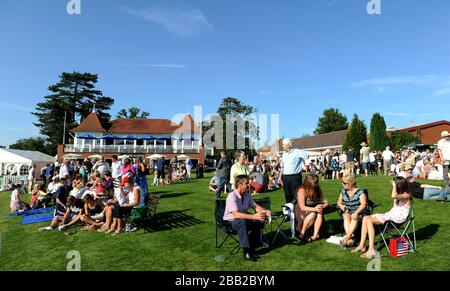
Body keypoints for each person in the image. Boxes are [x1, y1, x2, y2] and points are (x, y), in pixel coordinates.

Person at [352, 177, 412, 258]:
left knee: (369, 220)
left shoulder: (406, 195)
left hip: (398, 219)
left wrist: (394, 185)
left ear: (399, 186)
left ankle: (371, 250)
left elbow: (393, 196)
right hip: (392, 215)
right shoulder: (400, 195)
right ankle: (361, 245)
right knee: (366, 218)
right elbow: (395, 199)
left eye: (395, 185)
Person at [223, 175, 272, 262]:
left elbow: (255, 206)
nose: (249, 185)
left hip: (243, 218)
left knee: (259, 220)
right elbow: (236, 214)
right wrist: (253, 216)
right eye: (246, 183)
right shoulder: (232, 196)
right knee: (243, 222)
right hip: (231, 222)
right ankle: (246, 251)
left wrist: (265, 211)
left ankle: (254, 246)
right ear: (239, 184)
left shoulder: (246, 195)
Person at [336, 173, 368, 247]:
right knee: (346, 216)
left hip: (360, 212)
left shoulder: (360, 192)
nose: (342, 184)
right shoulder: (343, 191)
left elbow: (363, 204)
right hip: (348, 211)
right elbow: (338, 202)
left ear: (350, 184)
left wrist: (356, 212)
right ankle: (350, 238)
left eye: (344, 183)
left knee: (354, 217)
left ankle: (347, 236)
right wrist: (341, 206)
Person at [296, 174, 329, 243]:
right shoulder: (302, 190)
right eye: (315, 183)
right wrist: (315, 209)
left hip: (315, 208)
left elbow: (322, 200)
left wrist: (325, 204)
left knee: (320, 211)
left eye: (317, 182)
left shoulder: (318, 189)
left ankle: (314, 235)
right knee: (313, 213)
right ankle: (302, 233)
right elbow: (302, 207)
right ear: (308, 183)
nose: (316, 184)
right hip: (303, 210)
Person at [278, 138, 309, 205]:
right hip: (285, 177)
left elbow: (308, 154)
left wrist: (323, 153)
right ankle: (289, 212)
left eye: (283, 144)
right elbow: (282, 167)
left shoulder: (297, 152)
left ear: (288, 145)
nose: (282, 146)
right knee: (287, 195)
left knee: (296, 195)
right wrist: (280, 177)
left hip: (295, 177)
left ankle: (297, 212)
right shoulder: (284, 154)